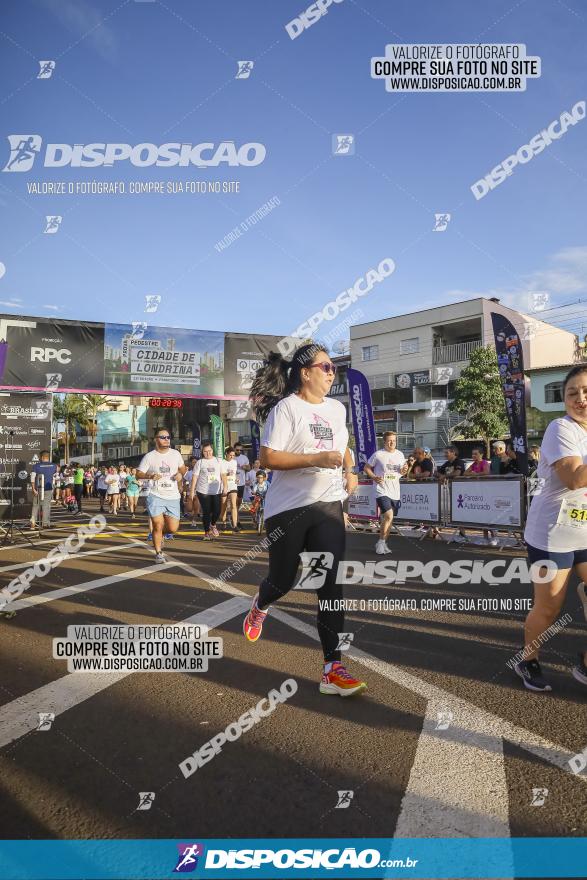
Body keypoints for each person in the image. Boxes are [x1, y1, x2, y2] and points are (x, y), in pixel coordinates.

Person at [243, 343, 366, 696]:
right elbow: (268, 458)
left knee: (330, 586)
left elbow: (341, 445)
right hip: (288, 508)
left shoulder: (336, 409)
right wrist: (315, 458)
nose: (332, 372)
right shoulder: (287, 409)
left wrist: (350, 467)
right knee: (283, 580)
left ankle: (333, 668)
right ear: (306, 372)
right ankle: (260, 604)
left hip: (328, 504)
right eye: (326, 366)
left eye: (333, 368)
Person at [515, 365, 587, 692]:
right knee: (549, 607)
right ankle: (527, 659)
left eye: (586, 392)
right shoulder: (561, 428)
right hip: (551, 534)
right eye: (573, 393)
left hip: (584, 531)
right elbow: (574, 477)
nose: (580, 399)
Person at [136, 428, 186, 562]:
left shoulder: (176, 454)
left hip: (173, 496)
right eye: (163, 437)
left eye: (168, 437)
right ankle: (158, 553)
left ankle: (162, 534)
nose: (166, 439)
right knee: (157, 525)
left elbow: (183, 469)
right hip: (155, 495)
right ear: (156, 439)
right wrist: (149, 475)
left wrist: (181, 474)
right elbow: (138, 474)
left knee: (173, 528)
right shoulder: (150, 456)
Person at [363, 432, 407, 554]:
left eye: (394, 440)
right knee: (388, 516)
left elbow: (402, 472)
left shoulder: (400, 454)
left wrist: (405, 470)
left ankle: (383, 543)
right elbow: (366, 468)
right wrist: (374, 477)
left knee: (389, 520)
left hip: (395, 491)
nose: (392, 442)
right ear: (385, 442)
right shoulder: (378, 454)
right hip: (381, 489)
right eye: (389, 441)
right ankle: (381, 544)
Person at [189, 441, 223, 540]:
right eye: (205, 451)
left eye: (209, 451)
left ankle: (213, 525)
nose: (208, 453)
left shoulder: (218, 461)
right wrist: (192, 491)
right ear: (202, 452)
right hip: (203, 491)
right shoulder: (200, 462)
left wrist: (225, 486)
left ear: (212, 451)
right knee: (207, 511)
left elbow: (223, 475)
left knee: (217, 511)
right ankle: (206, 533)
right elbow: (194, 477)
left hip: (216, 490)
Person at [30, 451, 57, 529]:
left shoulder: (36, 466)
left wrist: (33, 489)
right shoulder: (54, 466)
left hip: (38, 489)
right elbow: (55, 475)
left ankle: (33, 524)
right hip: (48, 489)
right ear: (48, 457)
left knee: (35, 506)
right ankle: (45, 524)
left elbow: (32, 477)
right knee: (46, 506)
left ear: (41, 457)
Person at [221, 447, 240, 532]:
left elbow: (235, 473)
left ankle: (235, 525)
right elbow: (221, 475)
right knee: (224, 504)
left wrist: (236, 478)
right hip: (224, 485)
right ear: (226, 454)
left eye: (233, 455)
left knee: (233, 504)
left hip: (233, 485)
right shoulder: (222, 462)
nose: (232, 457)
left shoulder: (235, 462)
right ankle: (224, 522)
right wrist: (227, 474)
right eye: (230, 455)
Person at [234, 442, 251, 515]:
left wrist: (244, 467)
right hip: (232, 482)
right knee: (234, 499)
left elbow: (249, 468)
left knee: (239, 500)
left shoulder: (244, 457)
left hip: (241, 482)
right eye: (237, 450)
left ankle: (236, 513)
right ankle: (235, 517)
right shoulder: (231, 456)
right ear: (234, 449)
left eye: (240, 450)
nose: (239, 451)